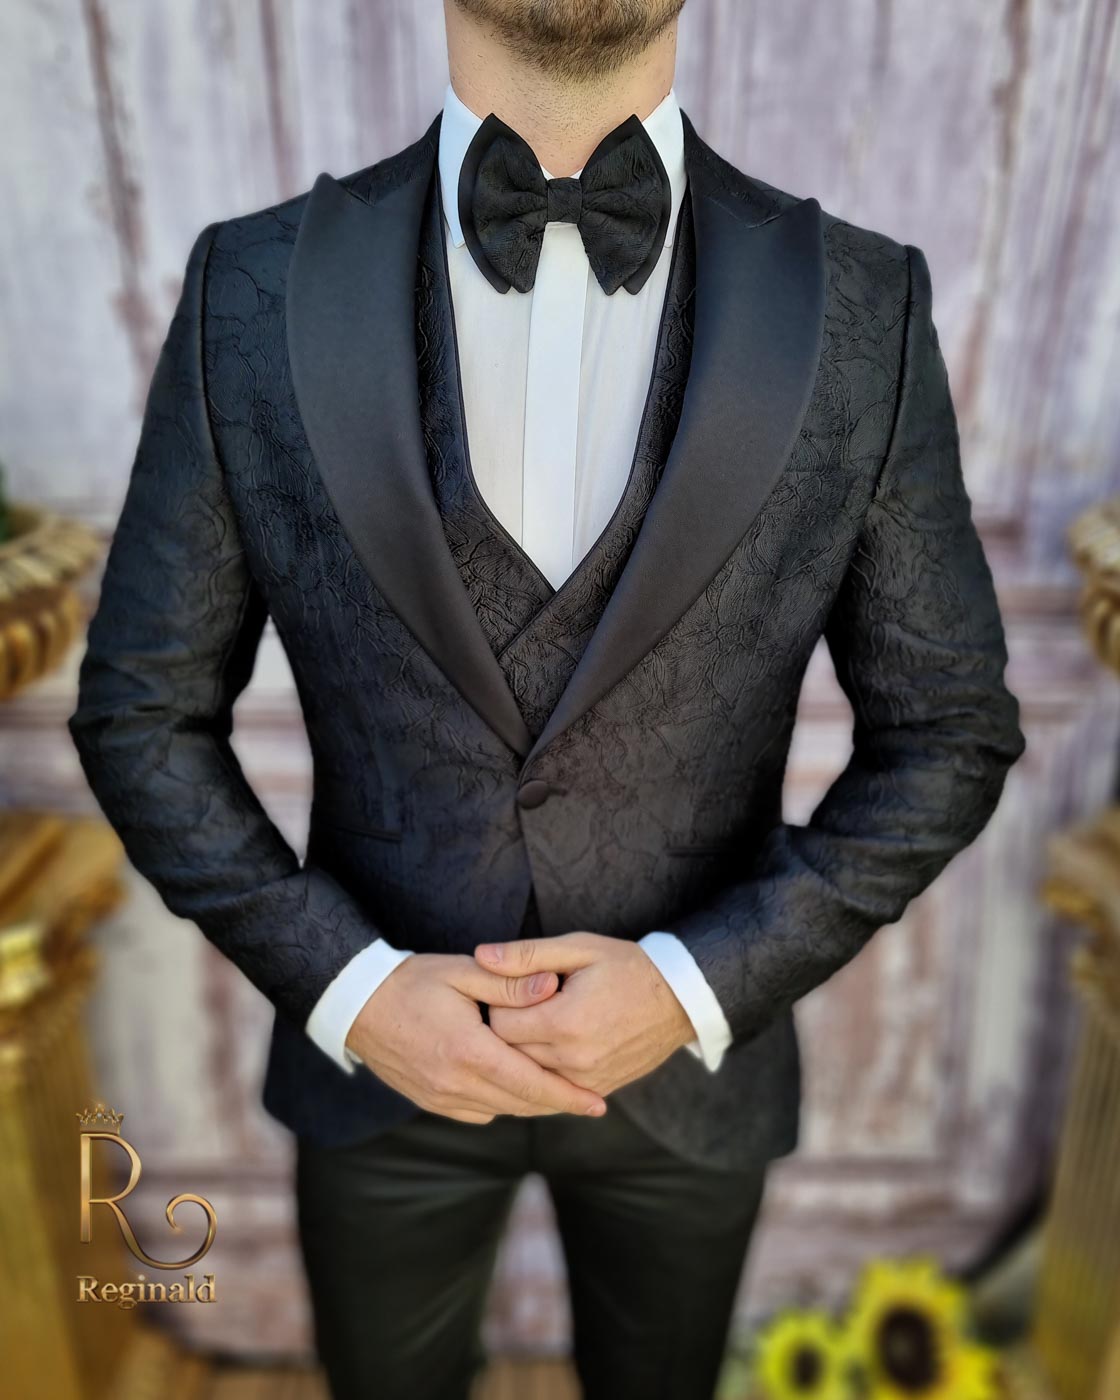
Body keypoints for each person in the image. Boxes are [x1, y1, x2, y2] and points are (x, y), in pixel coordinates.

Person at [67, 1, 1027, 1396]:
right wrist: (351, 988)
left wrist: (695, 985)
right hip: (372, 1073)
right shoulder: (251, 285)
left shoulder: (863, 305)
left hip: (693, 1082)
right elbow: (141, 711)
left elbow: (948, 730)